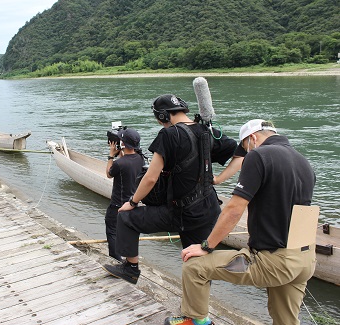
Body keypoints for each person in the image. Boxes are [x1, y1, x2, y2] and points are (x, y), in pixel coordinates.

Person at [165, 119, 316, 325]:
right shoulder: (303, 162)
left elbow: (234, 209)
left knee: (195, 265)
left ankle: (196, 322)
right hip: (305, 260)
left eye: (244, 148)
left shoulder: (258, 155)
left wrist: (207, 246)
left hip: (273, 262)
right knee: (286, 321)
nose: (246, 153)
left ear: (252, 139)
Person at [103, 94, 237, 284]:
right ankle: (197, 312)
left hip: (180, 211)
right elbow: (241, 152)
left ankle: (131, 268)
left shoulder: (169, 134)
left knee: (125, 217)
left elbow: (150, 177)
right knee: (197, 266)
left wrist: (132, 202)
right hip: (207, 210)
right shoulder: (207, 131)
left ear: (164, 116)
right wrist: (219, 179)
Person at [105, 128, 144, 261]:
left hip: (117, 205)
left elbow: (109, 173)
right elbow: (127, 162)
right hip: (132, 203)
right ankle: (129, 260)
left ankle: (116, 259)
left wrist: (111, 155)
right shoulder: (140, 159)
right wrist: (121, 152)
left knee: (112, 230)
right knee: (128, 233)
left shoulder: (119, 163)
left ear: (123, 143)